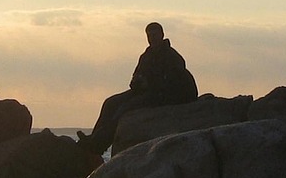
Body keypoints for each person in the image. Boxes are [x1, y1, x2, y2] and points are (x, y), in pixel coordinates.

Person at [77, 22, 197, 155]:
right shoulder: (146, 56)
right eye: (149, 35)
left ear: (162, 35)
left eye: (155, 34)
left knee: (125, 108)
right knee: (110, 102)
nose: (152, 38)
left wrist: (149, 84)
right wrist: (137, 82)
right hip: (144, 90)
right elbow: (136, 76)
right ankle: (93, 137)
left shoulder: (172, 56)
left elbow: (173, 82)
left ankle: (99, 144)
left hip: (165, 94)